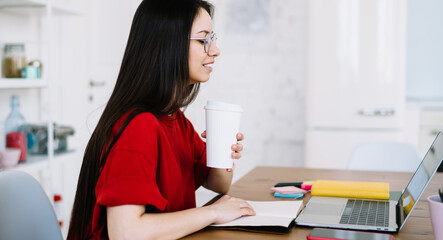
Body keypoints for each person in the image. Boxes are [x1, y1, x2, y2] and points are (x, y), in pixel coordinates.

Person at [67, 0, 255, 239]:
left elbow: (217, 184)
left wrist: (222, 149)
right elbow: (126, 233)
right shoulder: (139, 126)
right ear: (167, 45)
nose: (215, 50)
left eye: (212, 38)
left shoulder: (174, 119)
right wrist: (212, 213)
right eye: (203, 39)